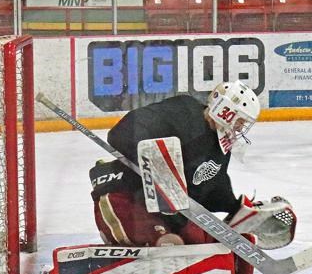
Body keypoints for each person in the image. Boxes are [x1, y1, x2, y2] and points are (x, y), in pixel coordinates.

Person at [88, 81, 297, 257]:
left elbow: (208, 190)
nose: (241, 128)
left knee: (206, 245)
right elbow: (122, 132)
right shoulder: (184, 111)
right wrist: (155, 162)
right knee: (169, 243)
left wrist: (236, 208)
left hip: (167, 212)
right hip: (124, 196)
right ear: (225, 110)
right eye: (240, 120)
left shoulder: (219, 148)